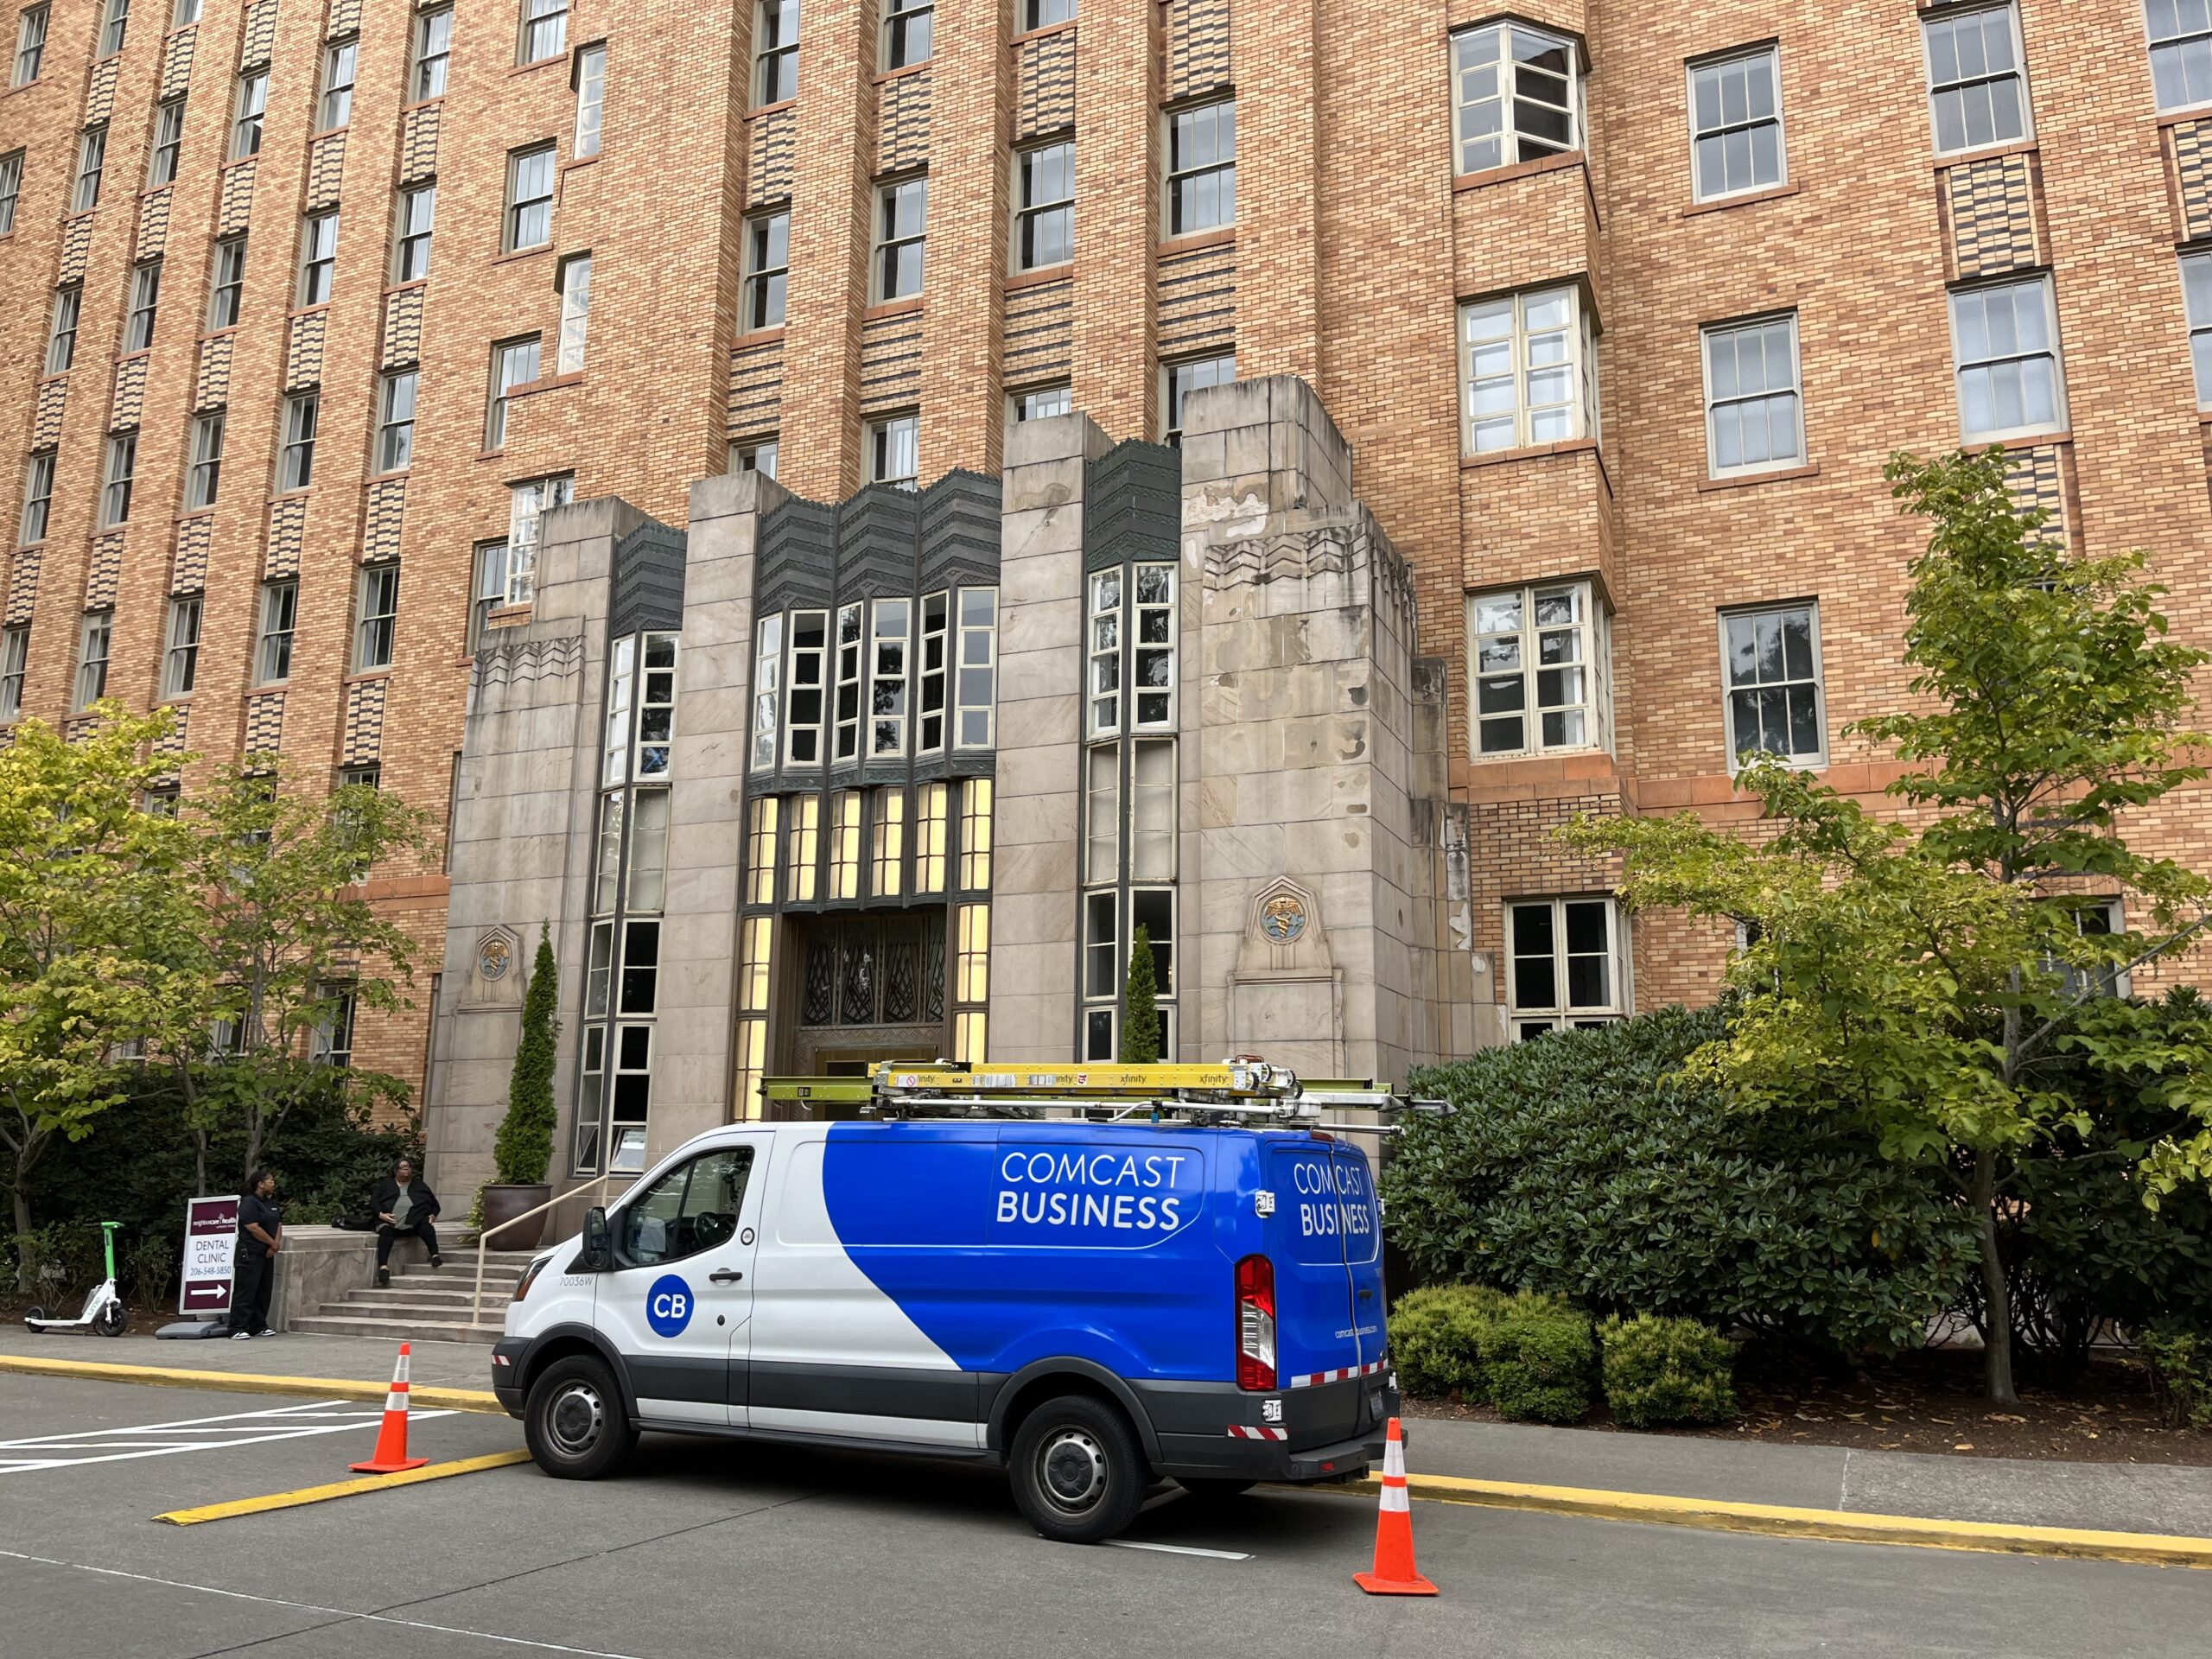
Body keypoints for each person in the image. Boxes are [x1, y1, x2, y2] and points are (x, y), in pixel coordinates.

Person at [372, 1158, 443, 1287]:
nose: (406, 1169)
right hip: (391, 1222)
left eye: (408, 1167)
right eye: (402, 1167)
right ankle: (383, 1268)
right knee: (386, 1234)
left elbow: (435, 1204)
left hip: (413, 1222)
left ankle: (435, 1255)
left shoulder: (419, 1185)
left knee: (426, 1225)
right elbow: (374, 1202)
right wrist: (381, 1215)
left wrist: (433, 1215)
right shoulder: (386, 1184)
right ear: (395, 1171)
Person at [228, 1168, 282, 1339]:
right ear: (260, 1183)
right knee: (246, 1289)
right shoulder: (249, 1202)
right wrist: (271, 1242)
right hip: (250, 1252)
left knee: (263, 1290)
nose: (273, 1184)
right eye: (270, 1181)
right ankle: (237, 1327)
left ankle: (258, 1325)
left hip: (267, 1253)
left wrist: (276, 1244)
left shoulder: (270, 1203)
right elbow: (252, 1227)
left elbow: (278, 1223)